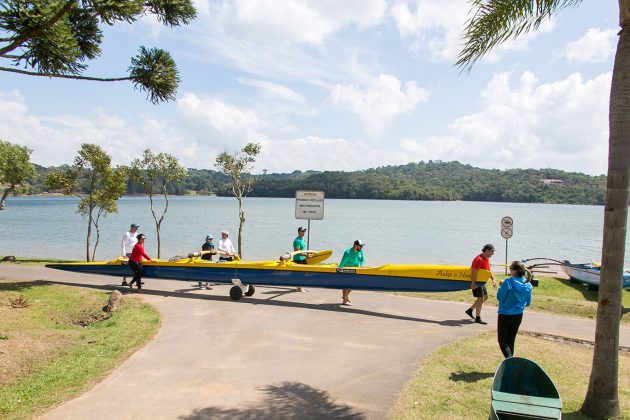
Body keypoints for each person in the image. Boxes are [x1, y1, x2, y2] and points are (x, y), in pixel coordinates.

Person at [496, 260, 532, 358]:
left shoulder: (508, 282)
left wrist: (501, 286)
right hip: (518, 315)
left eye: (510, 268)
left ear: (515, 271)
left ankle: (510, 361)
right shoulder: (528, 285)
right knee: (510, 340)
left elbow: (500, 297)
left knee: (502, 340)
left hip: (505, 315)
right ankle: (510, 363)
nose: (509, 269)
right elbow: (528, 303)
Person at [465, 243, 497, 324]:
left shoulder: (486, 259)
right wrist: (473, 283)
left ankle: (470, 310)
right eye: (492, 251)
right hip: (476, 282)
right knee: (480, 299)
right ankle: (478, 318)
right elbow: (474, 272)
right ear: (487, 250)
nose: (493, 253)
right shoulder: (478, 259)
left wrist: (493, 279)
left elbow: (488, 270)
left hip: (481, 282)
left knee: (485, 297)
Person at [338, 240, 365, 305]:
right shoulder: (348, 252)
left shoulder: (360, 251)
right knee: (346, 285)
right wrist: (339, 271)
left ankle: (345, 297)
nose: (361, 247)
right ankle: (345, 300)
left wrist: (361, 266)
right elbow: (342, 263)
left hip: (356, 270)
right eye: (360, 246)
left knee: (355, 285)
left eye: (362, 246)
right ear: (355, 245)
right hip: (347, 270)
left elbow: (362, 260)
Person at [293, 226, 307, 292]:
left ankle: (299, 286)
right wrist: (306, 255)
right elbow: (297, 252)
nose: (303, 232)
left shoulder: (303, 239)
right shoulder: (296, 241)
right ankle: (299, 287)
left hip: (303, 258)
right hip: (298, 259)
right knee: (299, 274)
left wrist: (307, 254)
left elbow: (303, 250)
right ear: (299, 232)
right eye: (302, 231)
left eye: (304, 231)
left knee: (305, 273)